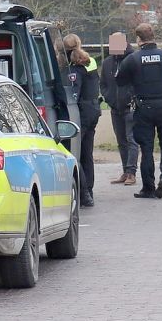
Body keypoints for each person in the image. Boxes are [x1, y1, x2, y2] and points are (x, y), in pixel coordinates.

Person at [115, 23, 162, 200]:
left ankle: (148, 187)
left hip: (144, 107)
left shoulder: (133, 59)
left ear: (138, 39)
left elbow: (119, 80)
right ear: (153, 36)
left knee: (146, 149)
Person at [100, 33, 138, 186]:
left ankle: (131, 172)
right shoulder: (107, 62)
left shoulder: (133, 60)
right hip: (115, 108)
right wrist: (109, 98)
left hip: (131, 107)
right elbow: (103, 84)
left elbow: (138, 81)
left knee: (131, 140)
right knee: (121, 141)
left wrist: (132, 98)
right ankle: (125, 171)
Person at [68, 45, 101, 208]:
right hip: (94, 110)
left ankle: (85, 194)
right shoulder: (91, 63)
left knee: (76, 153)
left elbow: (74, 94)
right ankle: (90, 191)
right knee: (87, 153)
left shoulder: (75, 71)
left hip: (83, 113)